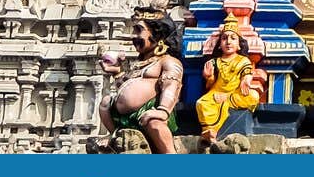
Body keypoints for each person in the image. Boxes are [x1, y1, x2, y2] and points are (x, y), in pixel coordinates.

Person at [98, 12, 183, 153]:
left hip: (152, 112)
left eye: (138, 30)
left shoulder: (168, 61)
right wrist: (117, 73)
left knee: (154, 124)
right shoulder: (140, 64)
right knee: (106, 102)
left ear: (158, 36)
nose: (133, 36)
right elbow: (126, 88)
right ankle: (115, 134)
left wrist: (163, 111)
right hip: (126, 118)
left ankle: (170, 154)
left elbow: (171, 86)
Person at [196, 15, 266, 145]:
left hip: (234, 93)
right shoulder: (214, 62)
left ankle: (225, 101)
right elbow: (210, 85)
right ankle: (210, 131)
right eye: (224, 38)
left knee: (253, 96)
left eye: (233, 38)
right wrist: (209, 77)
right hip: (216, 92)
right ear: (219, 45)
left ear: (239, 45)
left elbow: (247, 72)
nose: (228, 41)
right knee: (201, 103)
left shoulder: (243, 60)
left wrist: (246, 80)